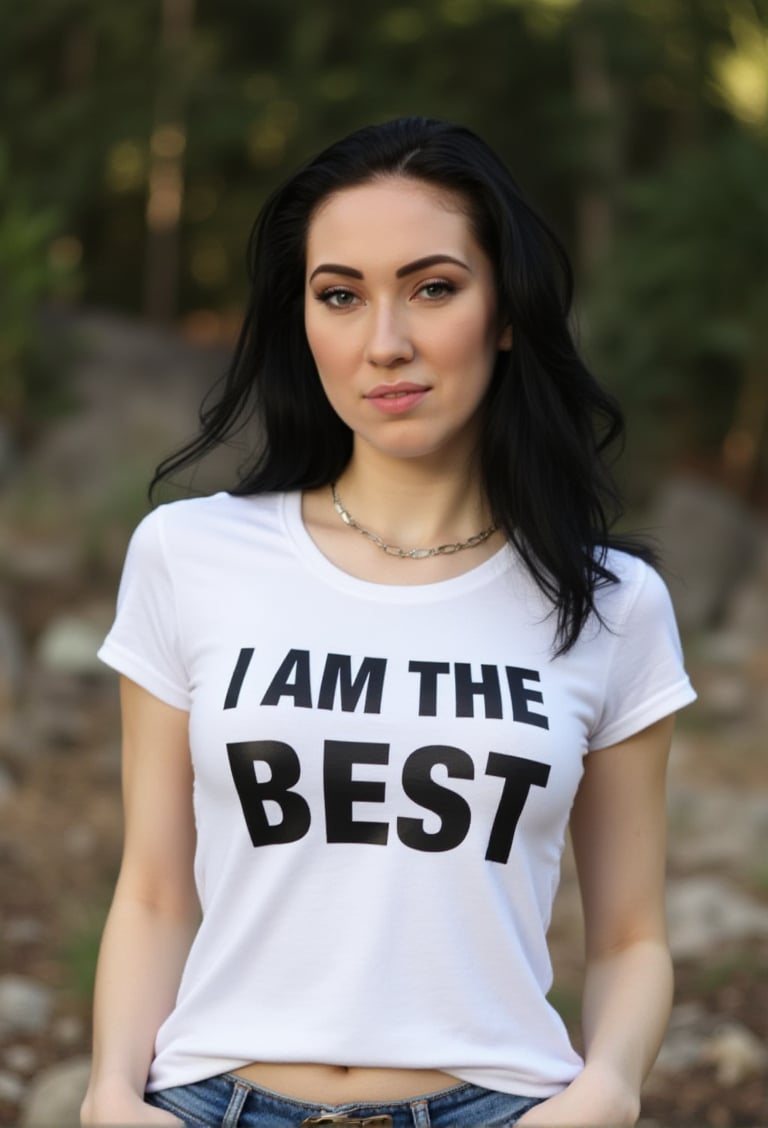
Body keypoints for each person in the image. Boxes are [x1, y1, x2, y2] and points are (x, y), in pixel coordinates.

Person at [81, 116, 696, 1128]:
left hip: (496, 1108)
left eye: (433, 287)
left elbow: (631, 934)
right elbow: (152, 887)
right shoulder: (191, 557)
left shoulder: (611, 603)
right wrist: (110, 1093)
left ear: (506, 310)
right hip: (212, 1103)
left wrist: (610, 1091)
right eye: (340, 296)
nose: (386, 342)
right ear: (303, 320)